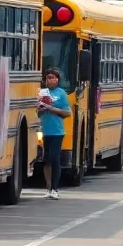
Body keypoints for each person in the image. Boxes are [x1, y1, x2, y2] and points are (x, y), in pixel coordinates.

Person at [37, 67, 72, 200]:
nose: (51, 80)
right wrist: (40, 107)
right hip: (45, 131)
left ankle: (55, 189)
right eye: (48, 78)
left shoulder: (61, 93)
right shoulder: (42, 92)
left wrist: (51, 108)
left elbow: (67, 112)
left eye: (53, 78)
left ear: (57, 80)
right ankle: (48, 187)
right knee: (46, 161)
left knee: (54, 159)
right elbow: (38, 112)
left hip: (57, 131)